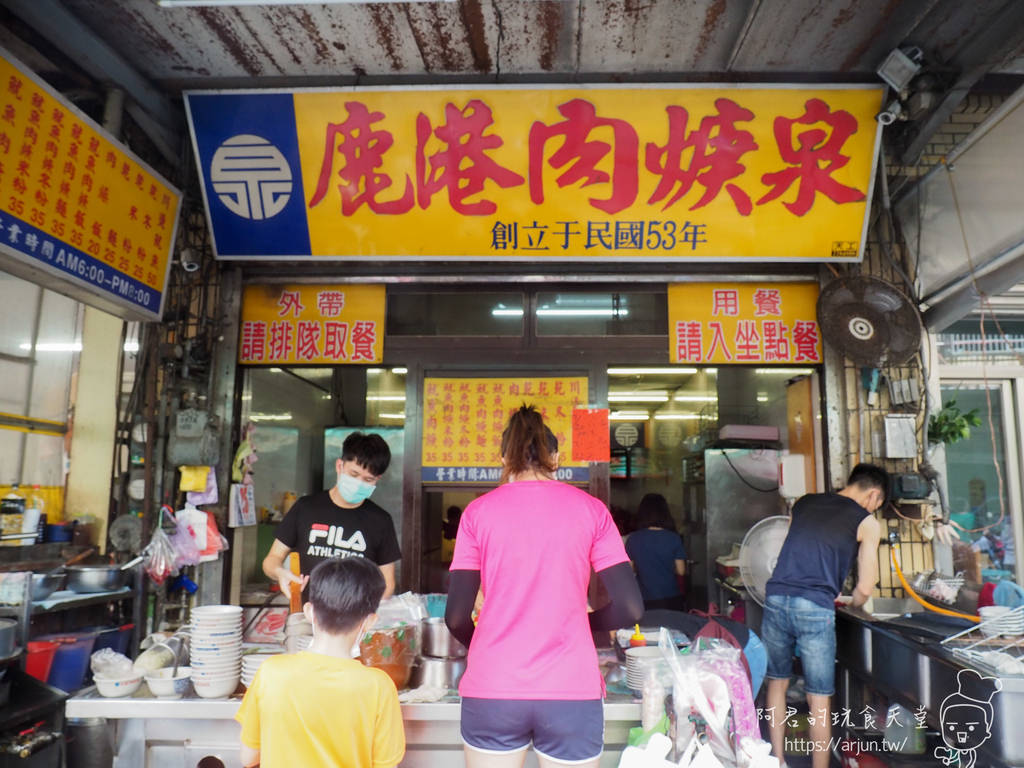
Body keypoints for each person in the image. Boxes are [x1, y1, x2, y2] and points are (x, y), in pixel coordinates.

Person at [445, 405, 643, 768]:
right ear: (556, 457)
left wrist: (488, 646)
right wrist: (589, 623)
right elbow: (631, 608)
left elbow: (456, 616)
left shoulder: (477, 513)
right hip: (572, 689)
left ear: (503, 457)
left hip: (494, 688)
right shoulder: (592, 510)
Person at [762, 463, 886, 768]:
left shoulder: (803, 503)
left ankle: (777, 761)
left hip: (777, 596)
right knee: (818, 696)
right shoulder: (867, 522)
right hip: (815, 606)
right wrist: (853, 600)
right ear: (873, 495)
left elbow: (794, 549)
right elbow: (866, 587)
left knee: (776, 683)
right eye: (878, 504)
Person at [237, 556, 405, 768]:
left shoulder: (271, 673)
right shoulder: (378, 686)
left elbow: (249, 757)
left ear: (309, 611)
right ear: (370, 621)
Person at [263, 432, 401, 601]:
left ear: (377, 480)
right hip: (307, 616)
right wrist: (280, 573)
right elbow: (272, 559)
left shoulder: (381, 521)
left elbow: (388, 584)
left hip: (356, 623)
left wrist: (365, 616)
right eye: (354, 474)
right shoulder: (306, 508)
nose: (359, 483)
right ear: (339, 466)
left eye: (368, 479)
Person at [625, 493, 686, 611]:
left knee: (645, 630)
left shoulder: (633, 539)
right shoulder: (673, 538)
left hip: (643, 600)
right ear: (665, 513)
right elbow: (681, 571)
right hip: (671, 600)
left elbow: (629, 570)